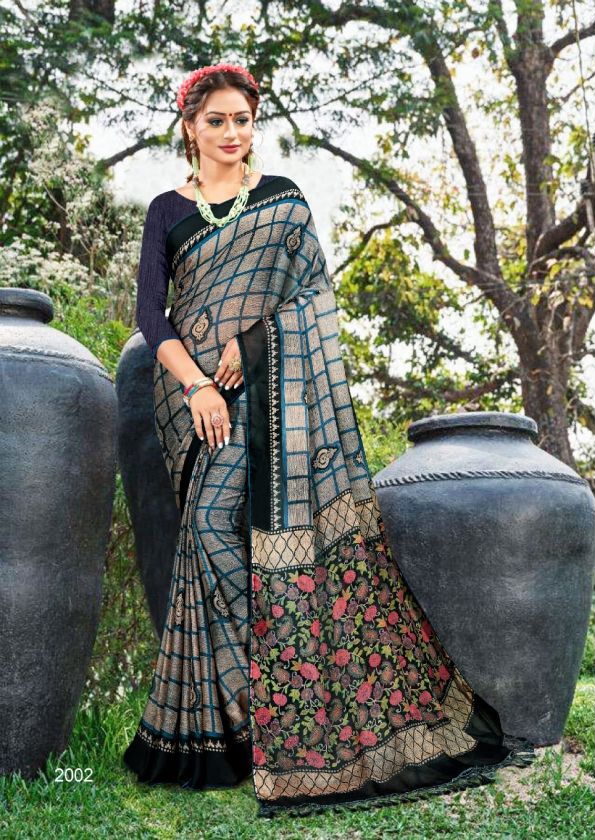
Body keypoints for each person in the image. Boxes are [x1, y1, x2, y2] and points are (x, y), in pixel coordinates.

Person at [123, 63, 535, 818]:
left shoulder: (283, 199)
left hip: (274, 394)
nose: (231, 132)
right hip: (198, 402)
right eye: (216, 120)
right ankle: (269, 710)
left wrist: (253, 345)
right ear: (190, 127)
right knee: (210, 534)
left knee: (232, 534)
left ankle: (274, 714)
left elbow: (313, 295)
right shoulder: (167, 211)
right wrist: (199, 385)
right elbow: (153, 313)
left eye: (242, 119)